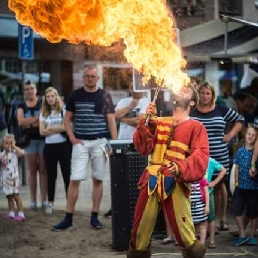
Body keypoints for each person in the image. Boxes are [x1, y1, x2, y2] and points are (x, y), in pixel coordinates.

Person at [127, 84, 209, 258]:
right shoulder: (160, 121)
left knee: (184, 233)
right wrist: (146, 121)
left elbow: (201, 156)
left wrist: (180, 167)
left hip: (176, 181)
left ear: (192, 102)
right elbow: (143, 147)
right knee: (139, 229)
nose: (181, 89)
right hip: (151, 179)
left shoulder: (196, 127)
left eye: (186, 90)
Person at [52, 65, 117, 231]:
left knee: (98, 179)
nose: (90, 78)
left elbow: (111, 121)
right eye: (87, 76)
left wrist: (114, 143)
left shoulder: (105, 96)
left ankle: (94, 217)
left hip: (99, 142)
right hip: (80, 143)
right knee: (75, 179)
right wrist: (72, 138)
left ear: (97, 78)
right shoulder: (75, 95)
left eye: (93, 76)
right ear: (84, 78)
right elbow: (67, 120)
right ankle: (68, 218)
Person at [190, 82, 244, 232]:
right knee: (200, 186)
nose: (205, 96)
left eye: (208, 93)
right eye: (202, 93)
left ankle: (223, 219)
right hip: (199, 156)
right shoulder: (192, 111)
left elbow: (240, 120)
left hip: (219, 153)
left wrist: (230, 135)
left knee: (219, 186)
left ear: (213, 95)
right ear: (198, 94)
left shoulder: (221, 109)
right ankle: (204, 220)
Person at [39, 87, 71, 214]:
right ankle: (50, 203)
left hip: (63, 146)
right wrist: (57, 128)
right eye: (48, 97)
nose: (50, 99)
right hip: (49, 147)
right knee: (51, 176)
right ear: (45, 99)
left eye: (52, 96)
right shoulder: (43, 113)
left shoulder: (63, 110)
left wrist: (50, 128)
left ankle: (70, 204)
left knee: (66, 175)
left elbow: (65, 127)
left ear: (56, 97)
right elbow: (41, 132)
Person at [17, 81, 47, 211]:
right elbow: (20, 122)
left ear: (36, 90)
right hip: (28, 141)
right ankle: (33, 201)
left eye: (32, 88)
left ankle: (44, 200)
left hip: (44, 139)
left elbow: (44, 118)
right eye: (27, 89)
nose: (29, 91)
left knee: (43, 170)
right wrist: (36, 118)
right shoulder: (21, 105)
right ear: (24, 92)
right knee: (32, 171)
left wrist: (28, 122)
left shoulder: (43, 103)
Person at [232, 124, 258, 246]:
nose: (251, 137)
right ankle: (242, 233)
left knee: (253, 213)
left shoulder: (256, 153)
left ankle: (251, 235)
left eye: (254, 135)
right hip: (240, 187)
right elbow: (236, 168)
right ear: (245, 135)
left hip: (253, 187)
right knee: (237, 210)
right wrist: (236, 182)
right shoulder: (240, 151)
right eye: (249, 134)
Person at [0, 134, 25, 221]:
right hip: (5, 179)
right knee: (9, 196)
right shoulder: (2, 154)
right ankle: (11, 212)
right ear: (2, 144)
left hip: (14, 179)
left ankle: (21, 213)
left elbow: (23, 152)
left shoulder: (14, 153)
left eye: (10, 143)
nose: (8, 145)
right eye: (6, 143)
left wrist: (14, 146)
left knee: (16, 196)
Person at [204, 157, 226, 249]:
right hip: (196, 194)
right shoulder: (193, 159)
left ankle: (212, 240)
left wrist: (214, 182)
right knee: (197, 219)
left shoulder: (210, 161)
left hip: (208, 193)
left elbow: (223, 170)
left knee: (211, 218)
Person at [190, 177, 209, 245]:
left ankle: (202, 244)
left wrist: (207, 206)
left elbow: (206, 192)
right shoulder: (187, 180)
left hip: (200, 206)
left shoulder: (202, 180)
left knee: (202, 225)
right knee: (192, 226)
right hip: (190, 207)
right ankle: (193, 243)